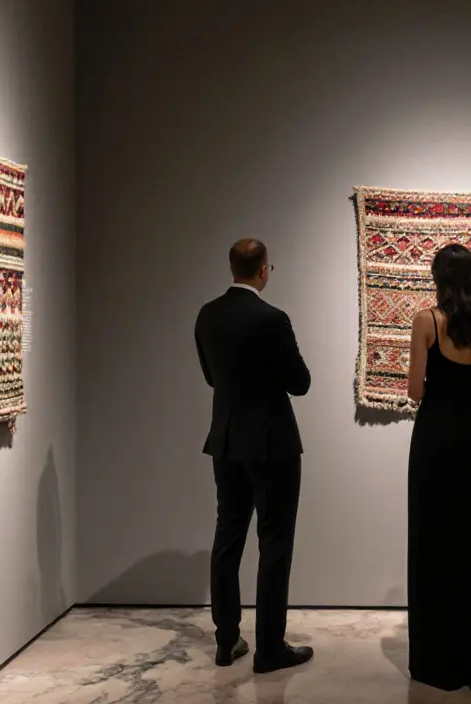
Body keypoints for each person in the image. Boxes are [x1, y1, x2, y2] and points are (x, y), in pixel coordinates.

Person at [194, 238, 314, 674]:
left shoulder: (207, 315)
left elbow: (211, 377)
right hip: (272, 443)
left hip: (225, 441)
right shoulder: (272, 319)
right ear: (263, 270)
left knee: (227, 539)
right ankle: (269, 648)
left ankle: (227, 640)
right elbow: (299, 382)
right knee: (274, 544)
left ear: (233, 268)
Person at [404, 243, 471, 691]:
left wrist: (443, 390)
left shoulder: (427, 320)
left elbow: (414, 390)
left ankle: (438, 658)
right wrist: (467, 390)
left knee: (434, 538)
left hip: (435, 438)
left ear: (439, 279)